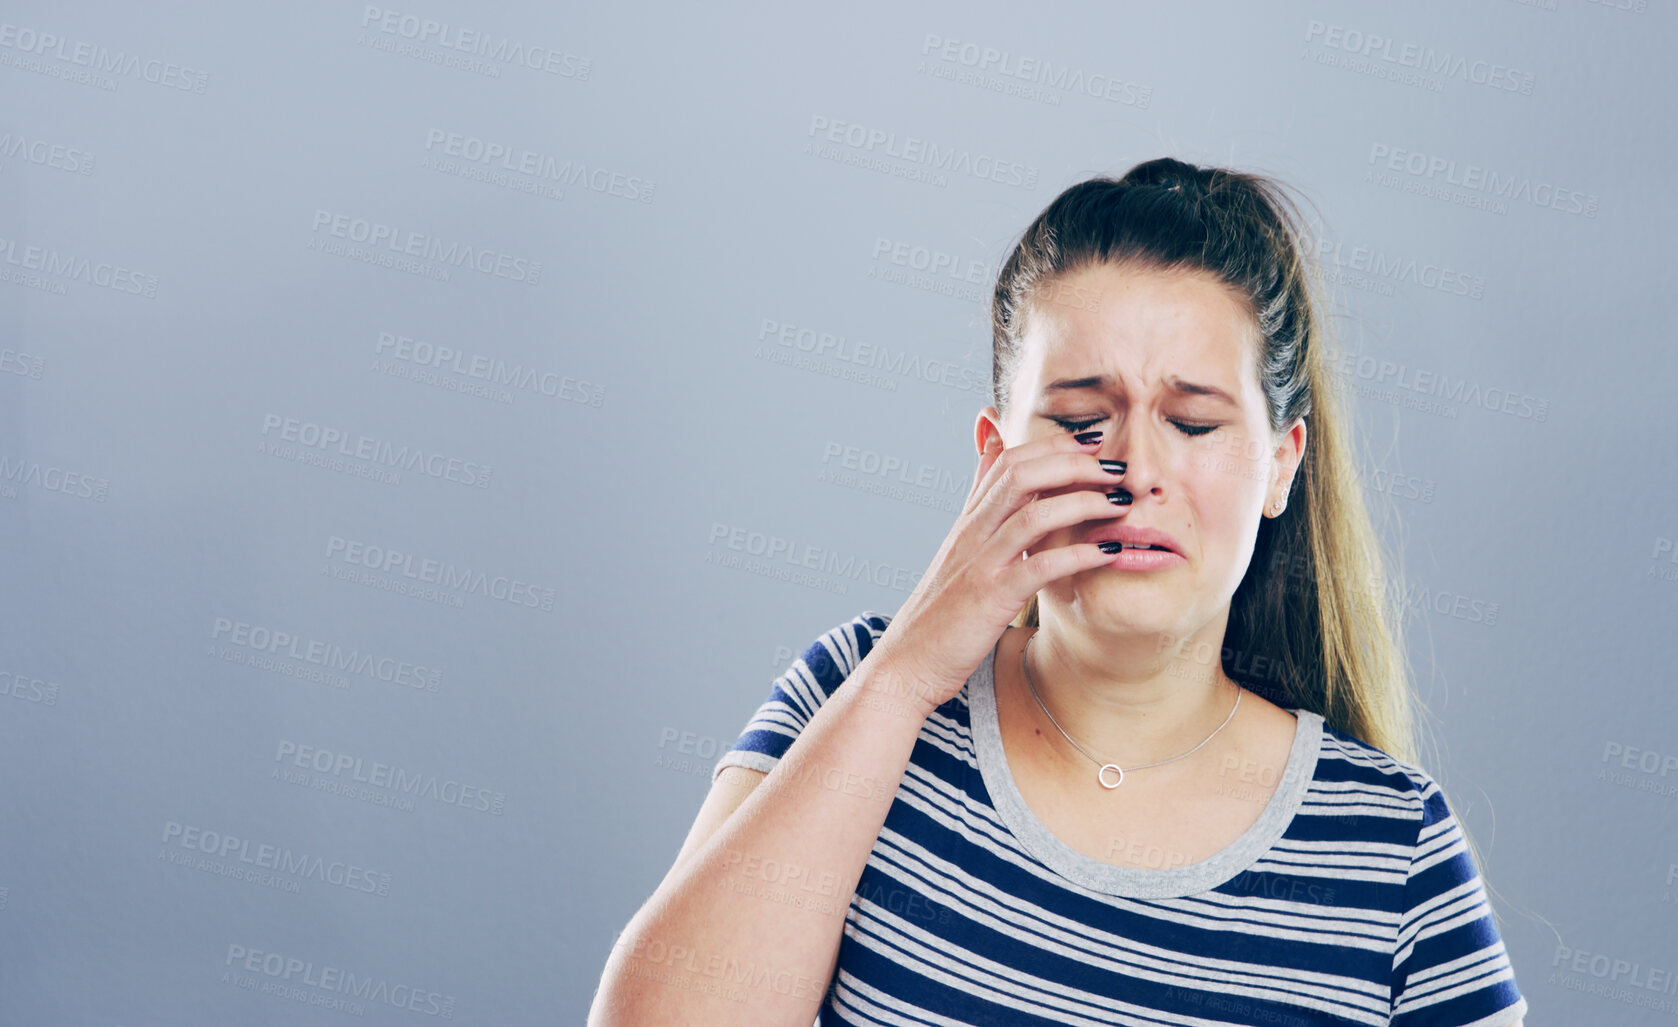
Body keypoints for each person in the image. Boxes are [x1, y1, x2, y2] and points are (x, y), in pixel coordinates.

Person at [588, 157, 1528, 1027]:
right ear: (995, 459)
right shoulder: (852, 688)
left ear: (1281, 466)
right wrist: (909, 668)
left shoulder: (1393, 847)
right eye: (1082, 420)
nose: (1136, 468)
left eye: (1193, 422)